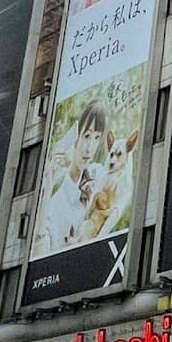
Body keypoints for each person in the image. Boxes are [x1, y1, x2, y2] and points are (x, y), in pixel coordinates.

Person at [40, 101, 109, 251]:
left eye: (97, 138)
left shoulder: (98, 174)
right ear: (75, 138)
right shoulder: (53, 207)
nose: (89, 148)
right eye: (86, 136)